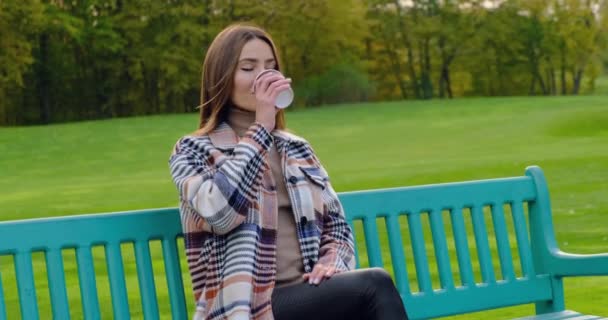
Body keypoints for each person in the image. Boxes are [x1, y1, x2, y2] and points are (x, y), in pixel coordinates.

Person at [168, 23, 408, 320]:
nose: (263, 77)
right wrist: (261, 128)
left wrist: (332, 263)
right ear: (222, 77)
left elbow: (336, 225)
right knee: (374, 285)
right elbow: (220, 213)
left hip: (310, 296)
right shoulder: (192, 150)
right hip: (247, 308)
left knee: (368, 291)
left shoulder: (296, 148)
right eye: (248, 67)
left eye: (271, 67)